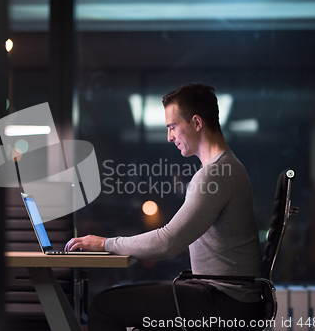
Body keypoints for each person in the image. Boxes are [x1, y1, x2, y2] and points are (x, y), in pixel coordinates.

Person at [65, 83, 266, 330]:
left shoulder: (216, 174)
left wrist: (104, 243)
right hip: (227, 296)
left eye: (172, 127)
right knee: (122, 300)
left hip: (225, 303)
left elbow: (168, 242)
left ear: (196, 123)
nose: (169, 136)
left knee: (105, 307)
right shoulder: (225, 169)